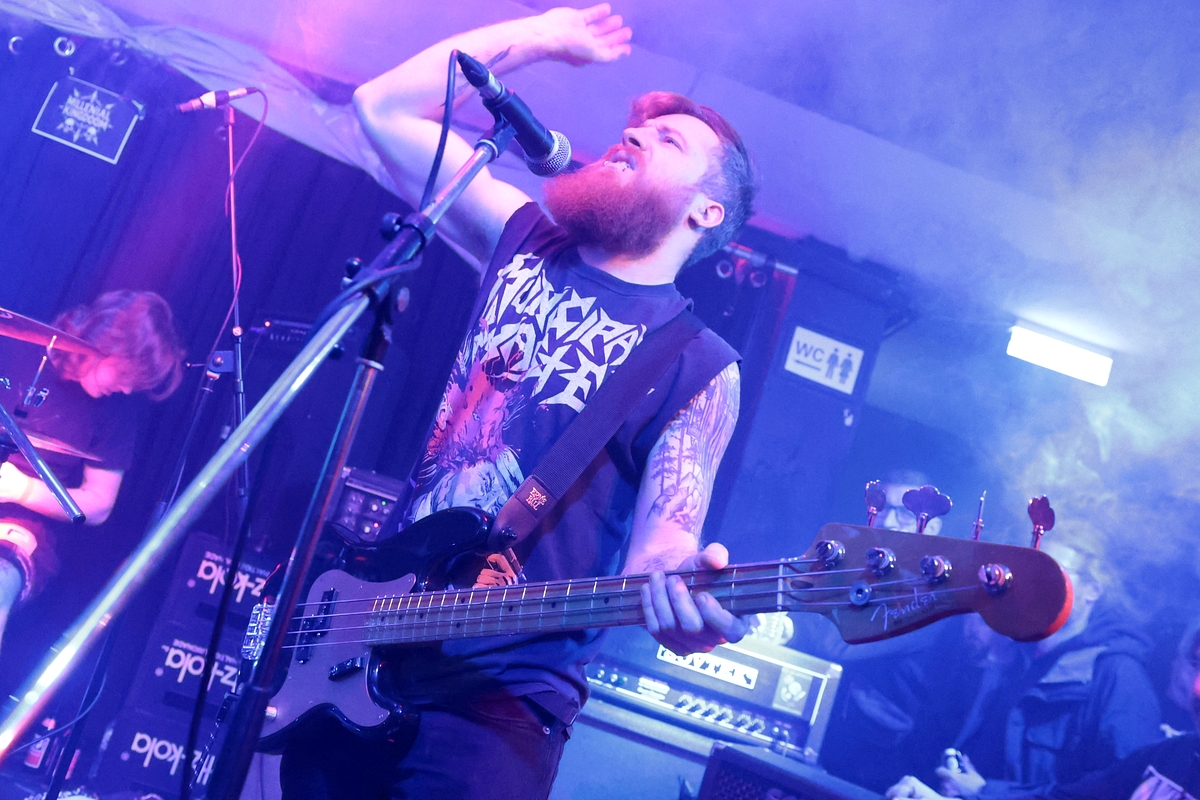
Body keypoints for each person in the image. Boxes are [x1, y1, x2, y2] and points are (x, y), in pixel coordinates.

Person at [278, 5, 758, 799]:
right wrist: (539, 36)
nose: (633, 136)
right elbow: (381, 108)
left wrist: (687, 594)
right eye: (637, 129)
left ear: (706, 212)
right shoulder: (526, 239)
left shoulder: (699, 364)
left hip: (499, 706)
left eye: (668, 141)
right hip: (363, 651)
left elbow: (663, 543)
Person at [886, 536, 1162, 799]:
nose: (1035, 587)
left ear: (1093, 590)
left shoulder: (1116, 674)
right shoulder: (1012, 655)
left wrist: (987, 793)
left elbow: (1121, 787)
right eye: (1032, 574)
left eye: (1053, 574)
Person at [0, 290, 185, 652]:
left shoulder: (116, 414)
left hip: (25, 525)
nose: (127, 388)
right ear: (108, 342)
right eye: (127, 373)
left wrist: (22, 489)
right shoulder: (16, 348)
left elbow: (99, 505)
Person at [889, 620, 1200, 800]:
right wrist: (979, 793)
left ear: (1092, 588)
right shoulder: (1170, 755)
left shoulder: (1115, 672)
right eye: (1197, 663)